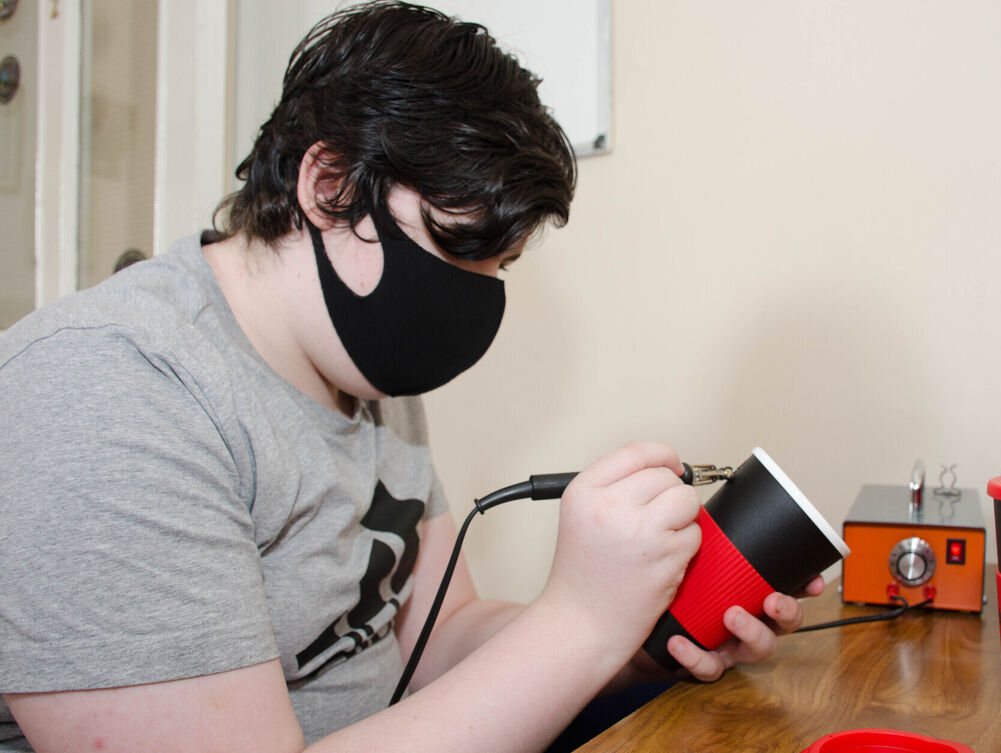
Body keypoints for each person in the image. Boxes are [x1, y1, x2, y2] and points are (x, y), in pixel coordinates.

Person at [0, 3, 823, 751]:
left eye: (500, 266)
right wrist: (579, 622)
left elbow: (440, 637)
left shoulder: (362, 366)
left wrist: (645, 634)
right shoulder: (107, 392)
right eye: (457, 250)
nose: (473, 301)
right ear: (329, 185)